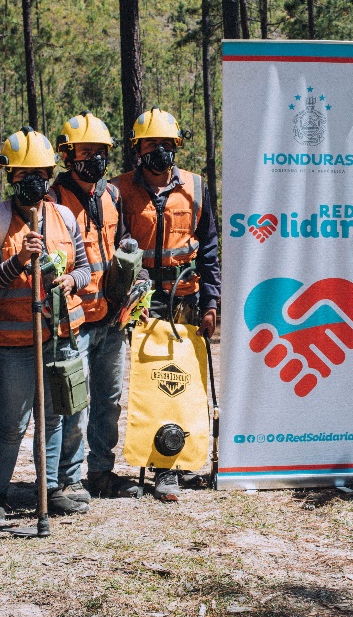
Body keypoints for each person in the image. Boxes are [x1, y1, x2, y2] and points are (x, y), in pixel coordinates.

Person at [0, 127, 92, 525]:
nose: (34, 182)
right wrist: (17, 262)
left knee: (56, 416)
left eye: (41, 173)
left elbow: (86, 269)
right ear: (9, 176)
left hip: (61, 337)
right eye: (23, 173)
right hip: (14, 342)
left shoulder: (64, 216)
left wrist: (71, 281)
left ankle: (49, 489)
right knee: (13, 422)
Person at [112, 107, 221, 500]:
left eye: (166, 144)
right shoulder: (118, 189)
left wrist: (211, 301)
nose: (159, 151)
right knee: (155, 381)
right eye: (151, 144)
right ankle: (162, 467)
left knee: (184, 379)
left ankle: (185, 456)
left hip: (185, 296)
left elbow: (209, 247)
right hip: (142, 300)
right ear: (138, 148)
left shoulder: (196, 186)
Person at [48, 112, 139, 501]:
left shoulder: (112, 194)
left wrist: (134, 269)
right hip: (74, 319)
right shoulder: (52, 200)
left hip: (112, 316)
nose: (95, 160)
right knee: (74, 405)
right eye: (85, 152)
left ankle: (101, 471)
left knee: (109, 400)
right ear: (67, 156)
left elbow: (122, 240)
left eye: (100, 152)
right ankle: (68, 479)